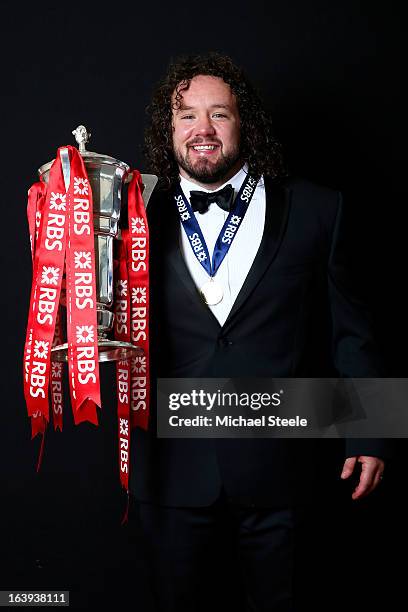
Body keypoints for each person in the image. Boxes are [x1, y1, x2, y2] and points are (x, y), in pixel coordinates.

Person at [130, 53, 387, 612]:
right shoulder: (129, 213)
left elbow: (354, 332)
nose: (202, 130)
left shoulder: (320, 208)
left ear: (245, 124)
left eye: (218, 114)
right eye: (186, 116)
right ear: (167, 128)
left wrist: (372, 434)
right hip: (171, 467)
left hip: (287, 469)